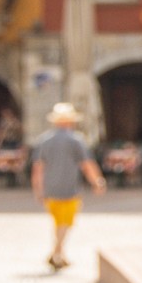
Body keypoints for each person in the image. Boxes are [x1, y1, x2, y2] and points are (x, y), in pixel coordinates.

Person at [27, 101, 101, 269]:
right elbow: (87, 164)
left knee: (58, 223)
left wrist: (38, 190)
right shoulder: (76, 140)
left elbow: (37, 168)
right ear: (70, 122)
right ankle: (56, 253)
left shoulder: (45, 141)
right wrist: (97, 181)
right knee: (64, 223)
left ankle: (60, 254)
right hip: (69, 188)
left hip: (50, 189)